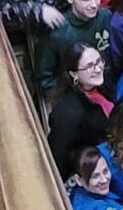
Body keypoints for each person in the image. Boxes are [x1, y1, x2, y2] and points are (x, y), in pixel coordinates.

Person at [35, 0, 113, 93]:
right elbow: (45, 79)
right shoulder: (56, 33)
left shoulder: (105, 16)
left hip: (105, 85)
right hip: (74, 93)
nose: (94, 4)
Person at [49, 45, 114, 177]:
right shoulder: (68, 113)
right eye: (89, 66)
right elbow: (59, 160)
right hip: (95, 172)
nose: (98, 68)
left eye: (99, 61)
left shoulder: (101, 83)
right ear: (74, 74)